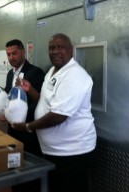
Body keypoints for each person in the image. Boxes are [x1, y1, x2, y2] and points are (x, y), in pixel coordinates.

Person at [12, 33, 97, 192]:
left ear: (70, 50)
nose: (56, 51)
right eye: (52, 48)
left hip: (73, 153)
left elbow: (58, 116)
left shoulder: (74, 75)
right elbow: (45, 101)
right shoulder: (53, 71)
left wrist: (28, 126)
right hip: (56, 151)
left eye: (61, 47)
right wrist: (29, 89)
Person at [5, 39, 45, 192]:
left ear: (23, 52)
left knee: (29, 172)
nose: (11, 58)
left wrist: (22, 118)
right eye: (8, 54)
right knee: (15, 167)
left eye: (14, 53)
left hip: (28, 131)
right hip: (13, 130)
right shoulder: (10, 74)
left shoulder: (35, 72)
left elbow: (40, 102)